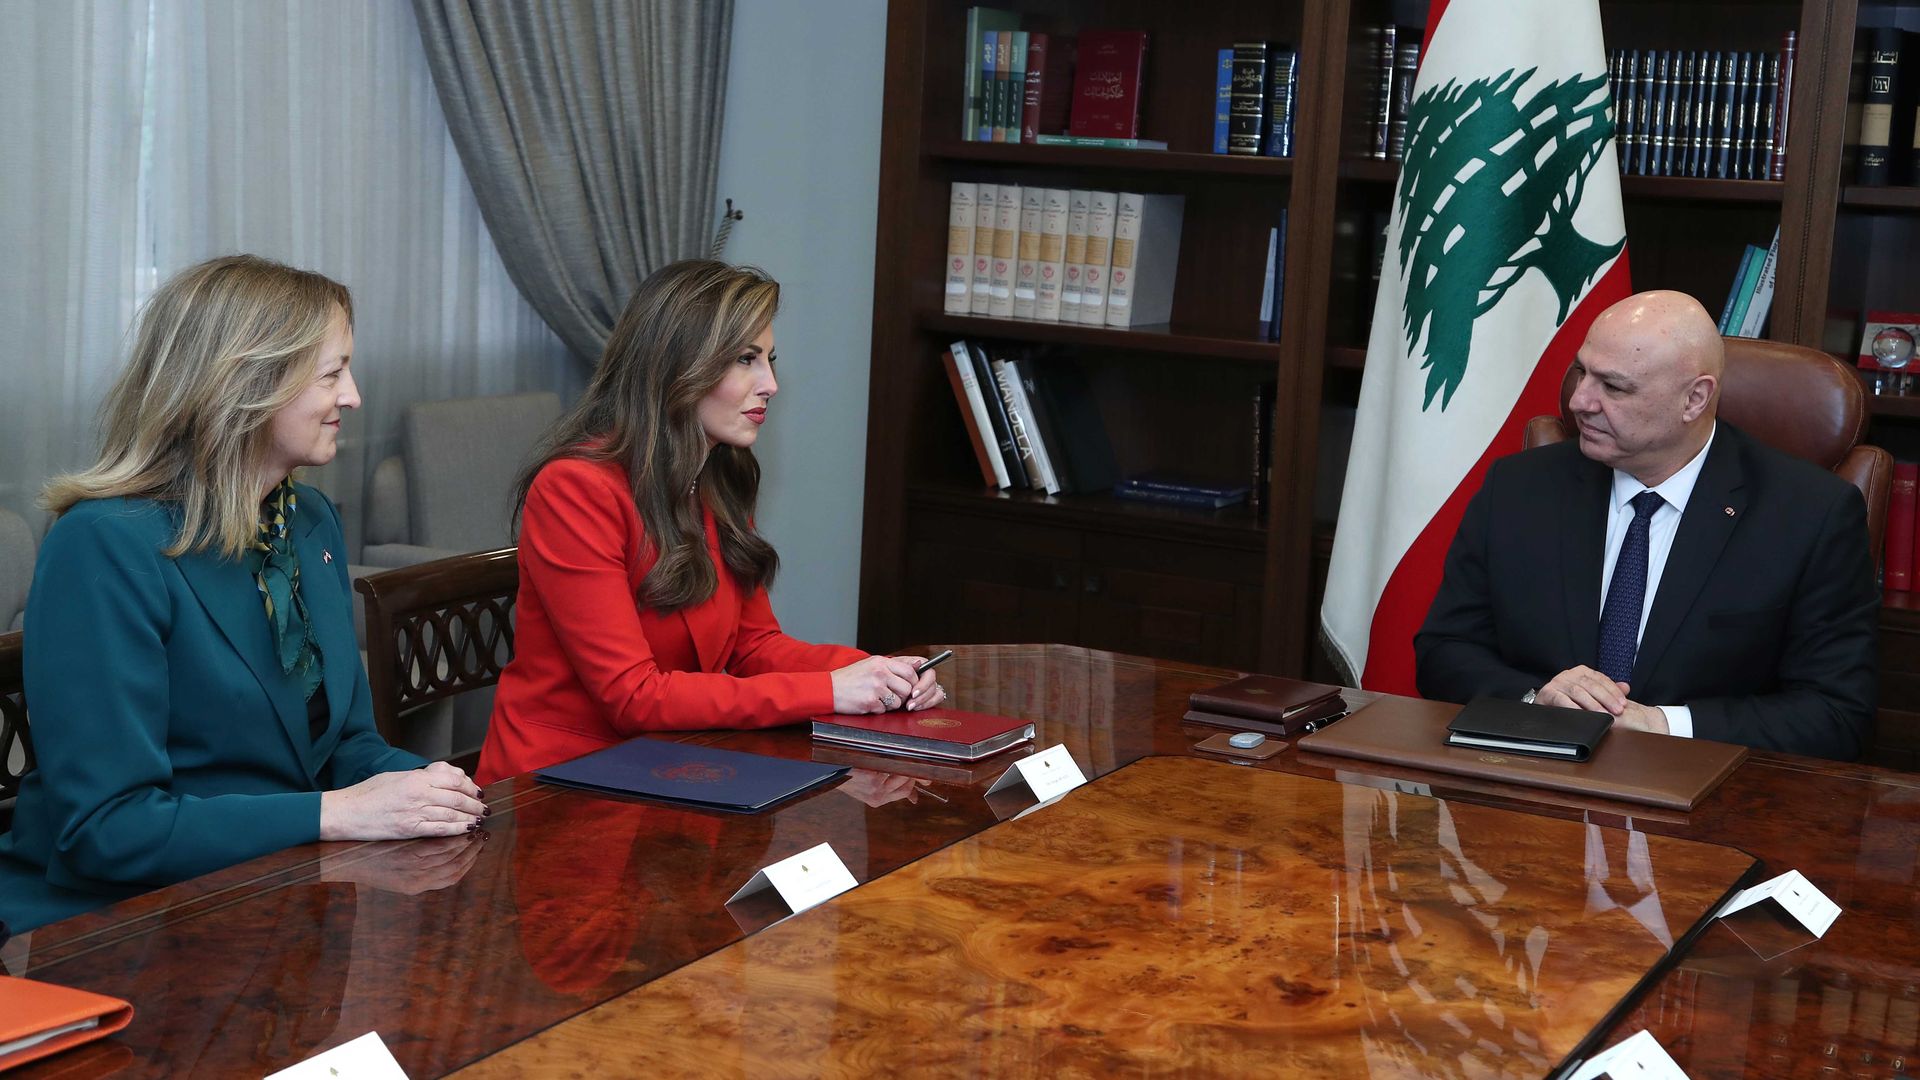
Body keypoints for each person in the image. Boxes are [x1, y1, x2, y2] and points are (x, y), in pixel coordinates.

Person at [0, 255, 487, 933]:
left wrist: (433, 791)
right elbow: (108, 829)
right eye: (332, 373)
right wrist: (338, 812)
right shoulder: (104, 545)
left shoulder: (304, 518)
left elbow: (344, 745)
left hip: (281, 896)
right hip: (123, 929)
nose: (354, 397)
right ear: (247, 386)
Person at [475, 260, 942, 785]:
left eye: (769, 359)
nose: (771, 384)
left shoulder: (717, 477)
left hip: (671, 764)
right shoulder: (575, 489)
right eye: (747, 359)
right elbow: (634, 697)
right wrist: (834, 690)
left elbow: (754, 646)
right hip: (558, 787)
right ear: (677, 367)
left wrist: (877, 673)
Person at [1414, 290, 1878, 760]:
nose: (1580, 401)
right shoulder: (1518, 487)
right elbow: (1444, 650)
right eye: (1582, 372)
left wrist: (1662, 724)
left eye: (1614, 387)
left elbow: (1835, 714)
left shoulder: (1809, 514)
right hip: (1533, 788)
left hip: (1704, 802)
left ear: (1695, 398)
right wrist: (1538, 700)